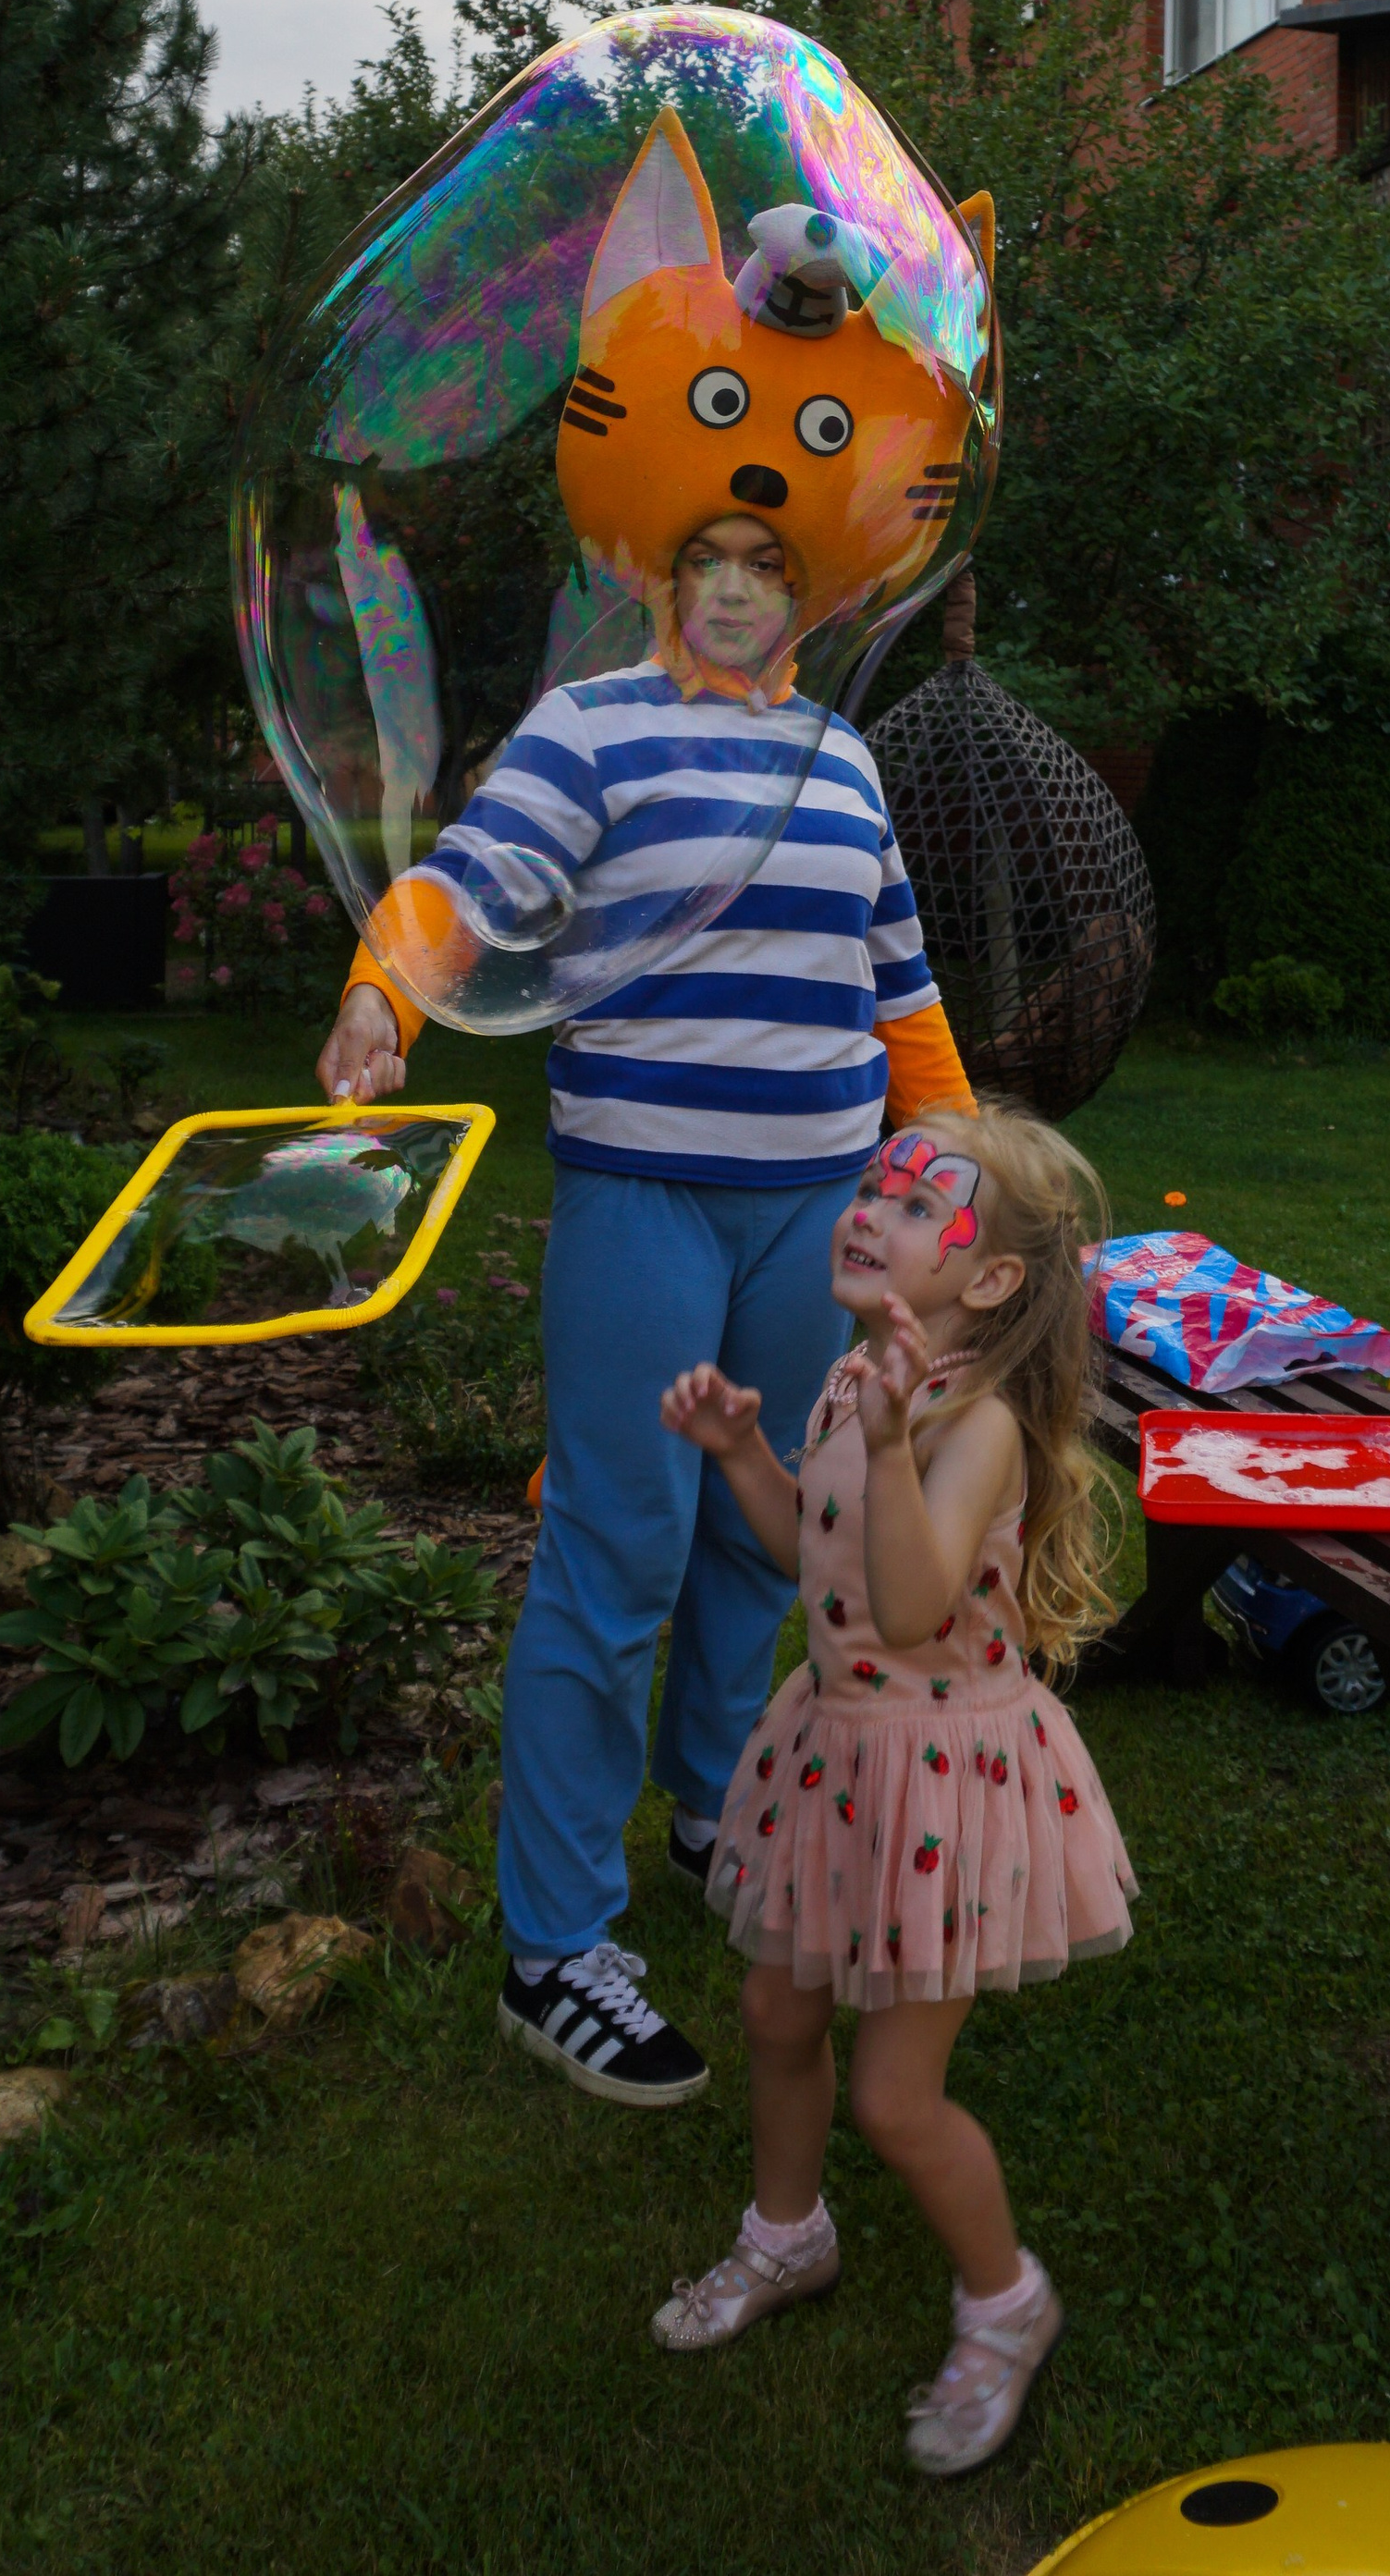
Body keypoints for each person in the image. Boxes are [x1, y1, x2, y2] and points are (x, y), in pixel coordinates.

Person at [314, 509, 975, 2110]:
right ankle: (555, 1951)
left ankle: (709, 1814)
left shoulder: (843, 754)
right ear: (665, 588)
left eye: (768, 563)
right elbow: (462, 890)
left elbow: (897, 984)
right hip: (646, 1204)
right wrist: (380, 997)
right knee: (616, 1550)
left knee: (764, 1536)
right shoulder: (591, 729)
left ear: (806, 593)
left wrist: (960, 1146)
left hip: (815, 1218)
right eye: (711, 561)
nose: (739, 586)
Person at [647, 1103, 1136, 2481]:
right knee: (773, 2007)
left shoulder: (970, 1423)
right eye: (876, 1187)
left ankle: (1006, 2304)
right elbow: (825, 1551)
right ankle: (787, 2237)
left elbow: (915, 1606)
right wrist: (752, 1457)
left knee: (899, 2099)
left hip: (942, 1780)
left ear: (989, 1280)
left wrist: (889, 1443)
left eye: (920, 1205)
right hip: (840, 1748)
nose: (872, 1210)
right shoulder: (864, 1375)